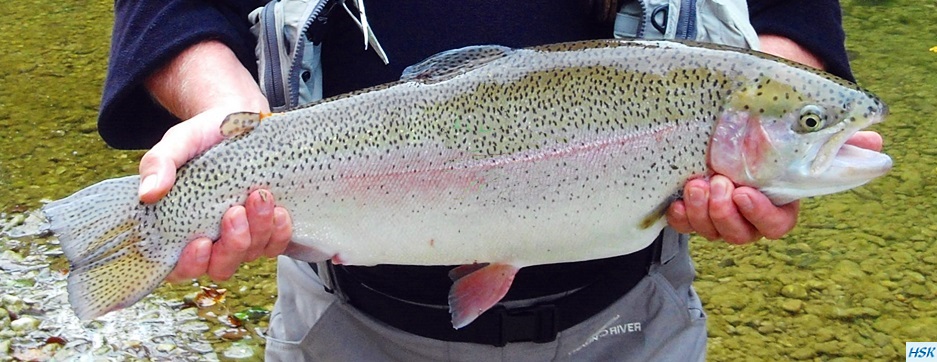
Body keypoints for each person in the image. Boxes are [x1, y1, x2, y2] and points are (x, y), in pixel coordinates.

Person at [98, 1, 883, 360]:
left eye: (805, 124)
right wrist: (231, 116)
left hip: (632, 328)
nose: (820, 135)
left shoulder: (720, 105)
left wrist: (795, 80)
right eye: (810, 124)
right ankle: (116, 242)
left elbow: (791, 15)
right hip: (344, 331)